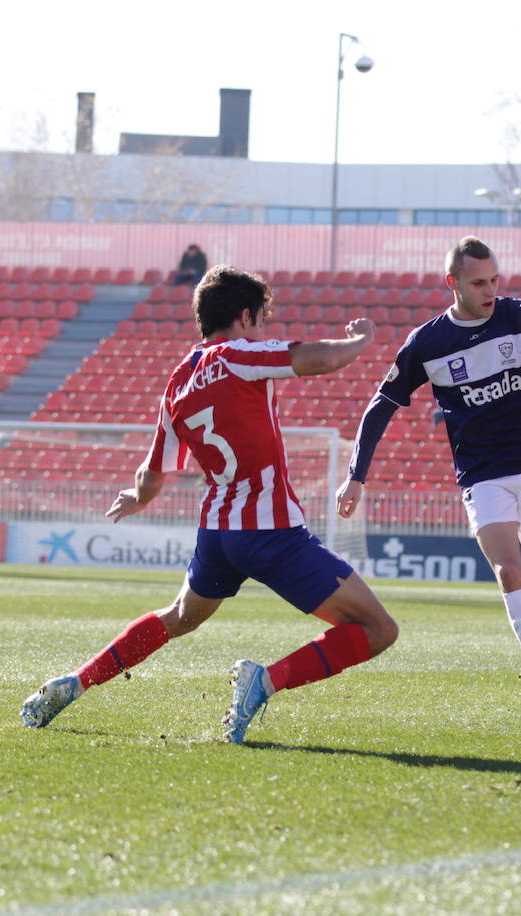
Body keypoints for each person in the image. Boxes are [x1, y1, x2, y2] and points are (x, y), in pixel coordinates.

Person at [21, 265, 398, 744]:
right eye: (262, 320)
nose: (264, 332)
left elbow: (152, 474)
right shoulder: (239, 354)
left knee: (178, 616)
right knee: (377, 628)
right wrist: (360, 342)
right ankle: (264, 681)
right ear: (245, 317)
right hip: (269, 530)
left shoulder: (178, 381)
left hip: (218, 532)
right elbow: (319, 358)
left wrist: (136, 499)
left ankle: (77, 681)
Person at [335, 236, 521, 731]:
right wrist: (355, 477)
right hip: (484, 478)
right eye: (478, 282)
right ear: (453, 283)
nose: (490, 289)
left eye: (494, 279)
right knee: (508, 571)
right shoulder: (427, 344)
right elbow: (380, 406)